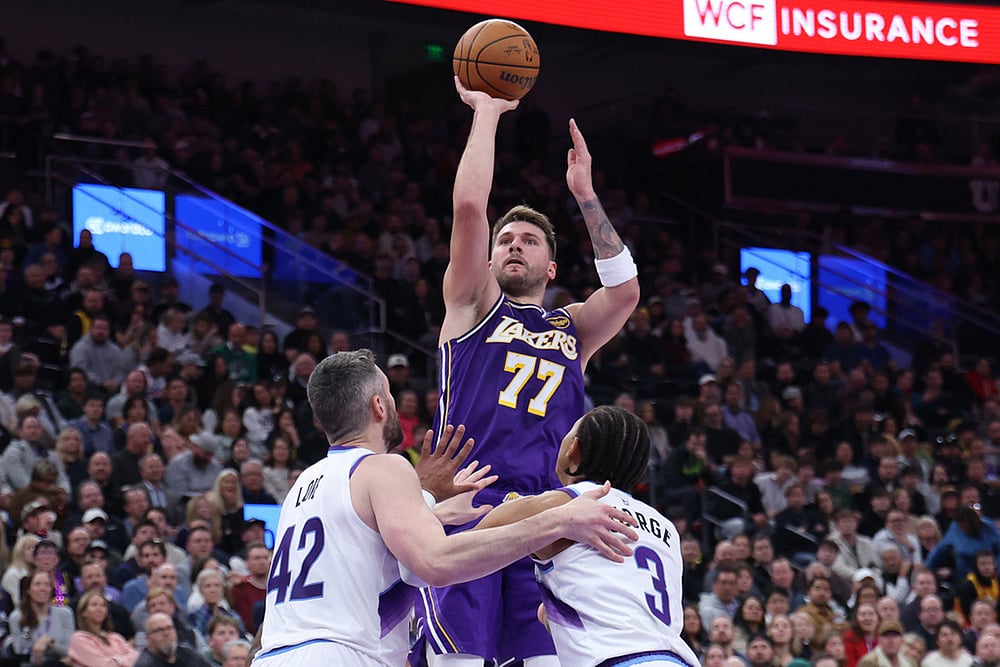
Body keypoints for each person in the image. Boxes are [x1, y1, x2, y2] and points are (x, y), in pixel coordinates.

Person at [417, 77, 640, 667]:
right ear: (490, 259)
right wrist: (487, 113)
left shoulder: (571, 328)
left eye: (530, 239)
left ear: (552, 262)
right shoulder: (472, 305)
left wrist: (585, 195)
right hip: (468, 511)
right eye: (506, 239)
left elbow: (624, 292)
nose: (516, 245)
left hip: (547, 521)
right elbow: (469, 207)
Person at [251, 350, 637, 667]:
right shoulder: (385, 467)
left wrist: (430, 508)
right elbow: (435, 564)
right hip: (340, 655)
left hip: (276, 654)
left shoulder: (304, 485)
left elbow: (366, 556)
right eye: (388, 392)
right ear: (379, 408)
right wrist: (558, 519)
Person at [475, 405, 699, 667]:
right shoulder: (666, 526)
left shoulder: (566, 503)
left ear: (574, 448)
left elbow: (466, 549)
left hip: (617, 659)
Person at [6, 570, 75, 666]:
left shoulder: (65, 613)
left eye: (47, 585)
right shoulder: (16, 617)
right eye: (37, 584)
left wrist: (49, 643)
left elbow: (70, 650)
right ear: (28, 590)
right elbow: (19, 650)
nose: (43, 589)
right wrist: (38, 645)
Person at [67, 588, 140, 666]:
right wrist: (123, 660)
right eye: (94, 605)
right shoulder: (79, 639)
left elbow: (137, 658)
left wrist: (117, 660)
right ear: (84, 612)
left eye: (103, 605)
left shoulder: (115, 637)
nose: (99, 609)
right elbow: (103, 665)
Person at [135, 612, 212, 667]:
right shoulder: (145, 664)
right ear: (148, 638)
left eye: (169, 628)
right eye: (159, 630)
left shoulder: (188, 654)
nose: (166, 634)